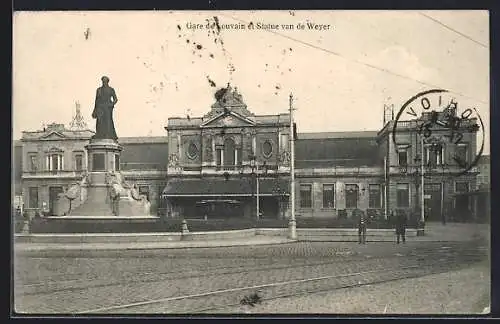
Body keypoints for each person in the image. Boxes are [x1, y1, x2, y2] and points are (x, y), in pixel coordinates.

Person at [92, 76, 118, 140]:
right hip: (100, 107)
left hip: (107, 108)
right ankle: (99, 134)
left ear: (107, 82)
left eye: (105, 81)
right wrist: (94, 111)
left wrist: (111, 104)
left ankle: (108, 134)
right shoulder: (99, 90)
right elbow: (96, 100)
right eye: (103, 81)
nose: (104, 82)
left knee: (107, 121)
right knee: (99, 121)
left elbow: (115, 99)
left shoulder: (111, 89)